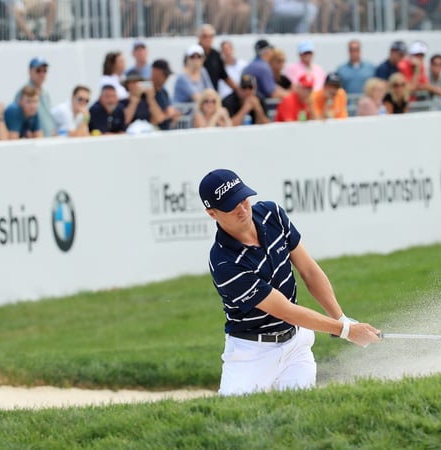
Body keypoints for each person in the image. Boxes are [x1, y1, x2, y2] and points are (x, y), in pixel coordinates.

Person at [199, 168, 381, 396]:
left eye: (243, 199)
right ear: (212, 213)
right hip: (250, 354)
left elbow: (308, 271)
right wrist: (346, 331)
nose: (242, 209)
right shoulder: (223, 262)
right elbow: (285, 310)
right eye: (231, 206)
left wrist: (340, 317)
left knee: (301, 417)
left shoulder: (271, 214)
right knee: (233, 423)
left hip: (296, 346)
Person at [15, 57, 56, 138]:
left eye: (44, 71)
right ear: (30, 72)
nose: (42, 74)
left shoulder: (45, 93)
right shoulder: (24, 92)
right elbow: (19, 116)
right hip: (35, 140)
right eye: (38, 70)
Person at [199, 24, 239, 96]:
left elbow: (224, 76)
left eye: (210, 36)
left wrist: (239, 90)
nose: (208, 39)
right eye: (205, 36)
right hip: (199, 97)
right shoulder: (193, 54)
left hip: (213, 98)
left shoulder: (215, 54)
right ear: (199, 37)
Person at [150, 59, 181, 131]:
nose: (166, 78)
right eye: (164, 74)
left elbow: (171, 114)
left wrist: (169, 116)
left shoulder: (164, 92)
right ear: (155, 71)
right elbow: (156, 119)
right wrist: (166, 115)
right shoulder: (145, 92)